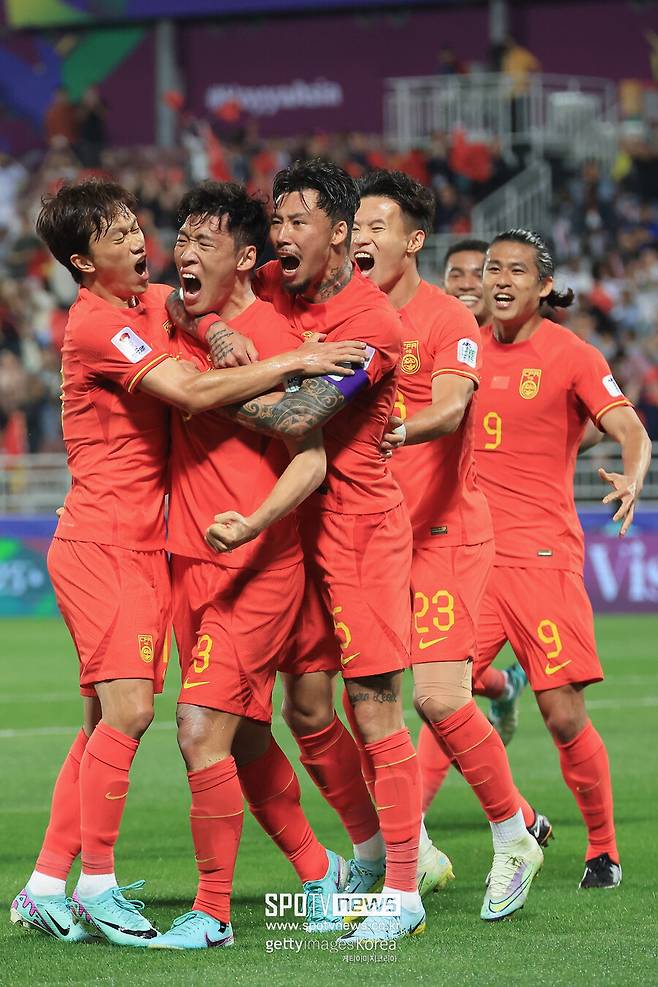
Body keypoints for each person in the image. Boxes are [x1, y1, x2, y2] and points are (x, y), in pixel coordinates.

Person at [10, 178, 363, 947]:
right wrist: (298, 358)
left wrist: (224, 329)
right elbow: (192, 393)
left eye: (138, 226)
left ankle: (61, 885)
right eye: (117, 234)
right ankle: (97, 886)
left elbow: (195, 314)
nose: (143, 243)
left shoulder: (160, 303)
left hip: (196, 553)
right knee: (135, 716)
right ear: (82, 260)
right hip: (115, 543)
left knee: (161, 725)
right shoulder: (100, 322)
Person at [170, 159, 426, 943]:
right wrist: (213, 331)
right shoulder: (277, 292)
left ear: (340, 233)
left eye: (297, 222)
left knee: (374, 707)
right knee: (305, 709)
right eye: (276, 220)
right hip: (290, 537)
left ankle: (405, 891)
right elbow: (190, 300)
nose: (282, 235)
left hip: (356, 529)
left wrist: (204, 388)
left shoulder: (373, 323)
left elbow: (297, 419)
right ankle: (363, 856)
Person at [148, 182, 364, 950]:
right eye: (182, 238)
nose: (185, 252)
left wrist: (255, 522)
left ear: (245, 257)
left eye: (203, 242)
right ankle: (321, 871)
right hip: (188, 560)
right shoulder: (182, 317)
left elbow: (311, 458)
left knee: (197, 728)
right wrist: (208, 327)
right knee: (242, 740)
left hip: (257, 563)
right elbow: (155, 298)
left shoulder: (275, 333)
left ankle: (213, 913)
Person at [352, 170, 543, 922]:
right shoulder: (349, 316)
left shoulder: (446, 318)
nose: (362, 237)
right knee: (365, 702)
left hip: (445, 534)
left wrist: (395, 428)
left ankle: (512, 836)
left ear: (414, 240)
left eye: (377, 226)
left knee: (437, 696)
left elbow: (452, 405)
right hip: (373, 539)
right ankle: (416, 852)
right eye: (356, 226)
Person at [472, 229, 650, 888]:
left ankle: (603, 848)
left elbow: (631, 429)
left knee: (563, 713)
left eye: (517, 270)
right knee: (442, 695)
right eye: (493, 268)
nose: (501, 280)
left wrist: (633, 477)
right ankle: (521, 817)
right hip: (470, 556)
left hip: (541, 555)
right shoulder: (463, 351)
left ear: (544, 286)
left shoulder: (572, 354)